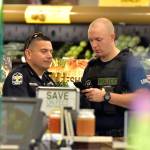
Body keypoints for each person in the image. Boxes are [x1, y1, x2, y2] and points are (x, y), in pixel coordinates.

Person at [80, 18, 149, 137]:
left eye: (99, 39)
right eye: (91, 40)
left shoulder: (130, 64)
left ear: (112, 37)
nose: (94, 45)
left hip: (122, 137)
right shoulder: (91, 66)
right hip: (93, 135)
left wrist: (106, 96)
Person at [3, 32, 55, 97]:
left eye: (51, 52)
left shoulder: (47, 79)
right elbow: (19, 106)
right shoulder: (18, 76)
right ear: (28, 54)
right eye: (44, 51)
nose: (50, 56)